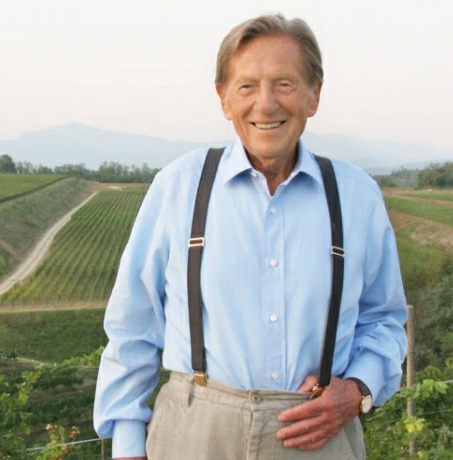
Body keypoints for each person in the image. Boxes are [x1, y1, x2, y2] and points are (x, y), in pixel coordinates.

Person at [94, 13, 407, 460]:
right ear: (223, 98)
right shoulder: (179, 186)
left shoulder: (356, 195)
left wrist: (358, 388)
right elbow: (134, 324)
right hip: (194, 435)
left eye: (284, 84)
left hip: (317, 436)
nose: (266, 104)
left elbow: (384, 319)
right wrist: (127, 444)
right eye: (247, 87)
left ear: (314, 95)